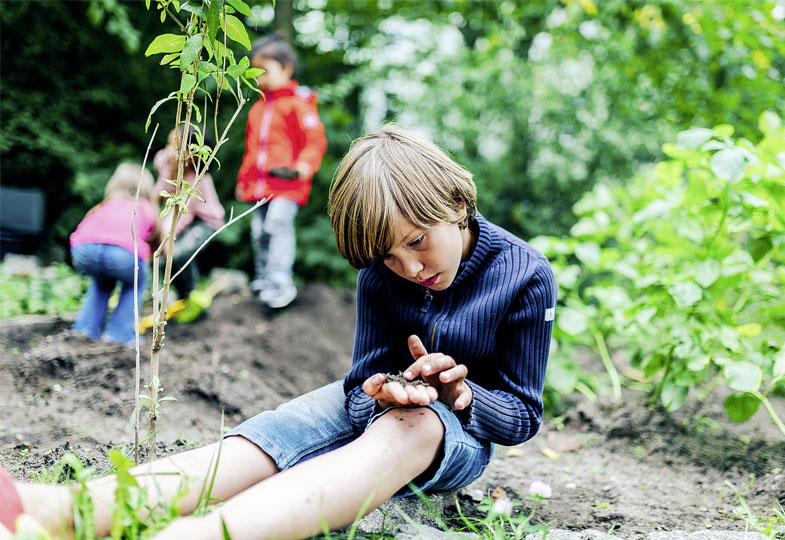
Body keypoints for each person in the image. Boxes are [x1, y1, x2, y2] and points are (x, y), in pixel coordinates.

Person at [2, 124, 556, 540]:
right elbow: (360, 384)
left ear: (457, 204)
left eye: (416, 242)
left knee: (412, 426)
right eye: (388, 256)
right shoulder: (379, 275)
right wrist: (378, 393)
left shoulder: (525, 274)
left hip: (457, 432)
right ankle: (54, 510)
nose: (409, 269)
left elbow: (522, 414)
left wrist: (461, 396)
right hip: (385, 404)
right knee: (272, 433)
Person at [235, 34, 327, 309]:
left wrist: (302, 167)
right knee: (259, 232)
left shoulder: (299, 104)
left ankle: (279, 283)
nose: (260, 77)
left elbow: (314, 142)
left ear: (286, 68)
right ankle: (263, 279)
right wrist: (244, 179)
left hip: (287, 184)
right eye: (256, 72)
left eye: (266, 71)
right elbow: (252, 150)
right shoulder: (256, 109)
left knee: (277, 225)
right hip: (259, 187)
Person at [68, 162, 162, 347]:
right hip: (123, 255)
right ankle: (118, 334)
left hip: (83, 250)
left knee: (102, 281)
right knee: (136, 282)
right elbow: (158, 240)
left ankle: (84, 330)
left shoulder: (104, 205)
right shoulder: (144, 207)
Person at [154, 125, 226, 299]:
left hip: (205, 222)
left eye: (177, 148)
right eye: (168, 145)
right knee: (164, 257)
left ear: (194, 155)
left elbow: (181, 216)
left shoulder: (196, 181)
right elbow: (158, 193)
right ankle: (172, 294)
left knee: (176, 254)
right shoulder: (165, 161)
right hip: (178, 215)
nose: (170, 152)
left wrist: (163, 237)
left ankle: (188, 294)